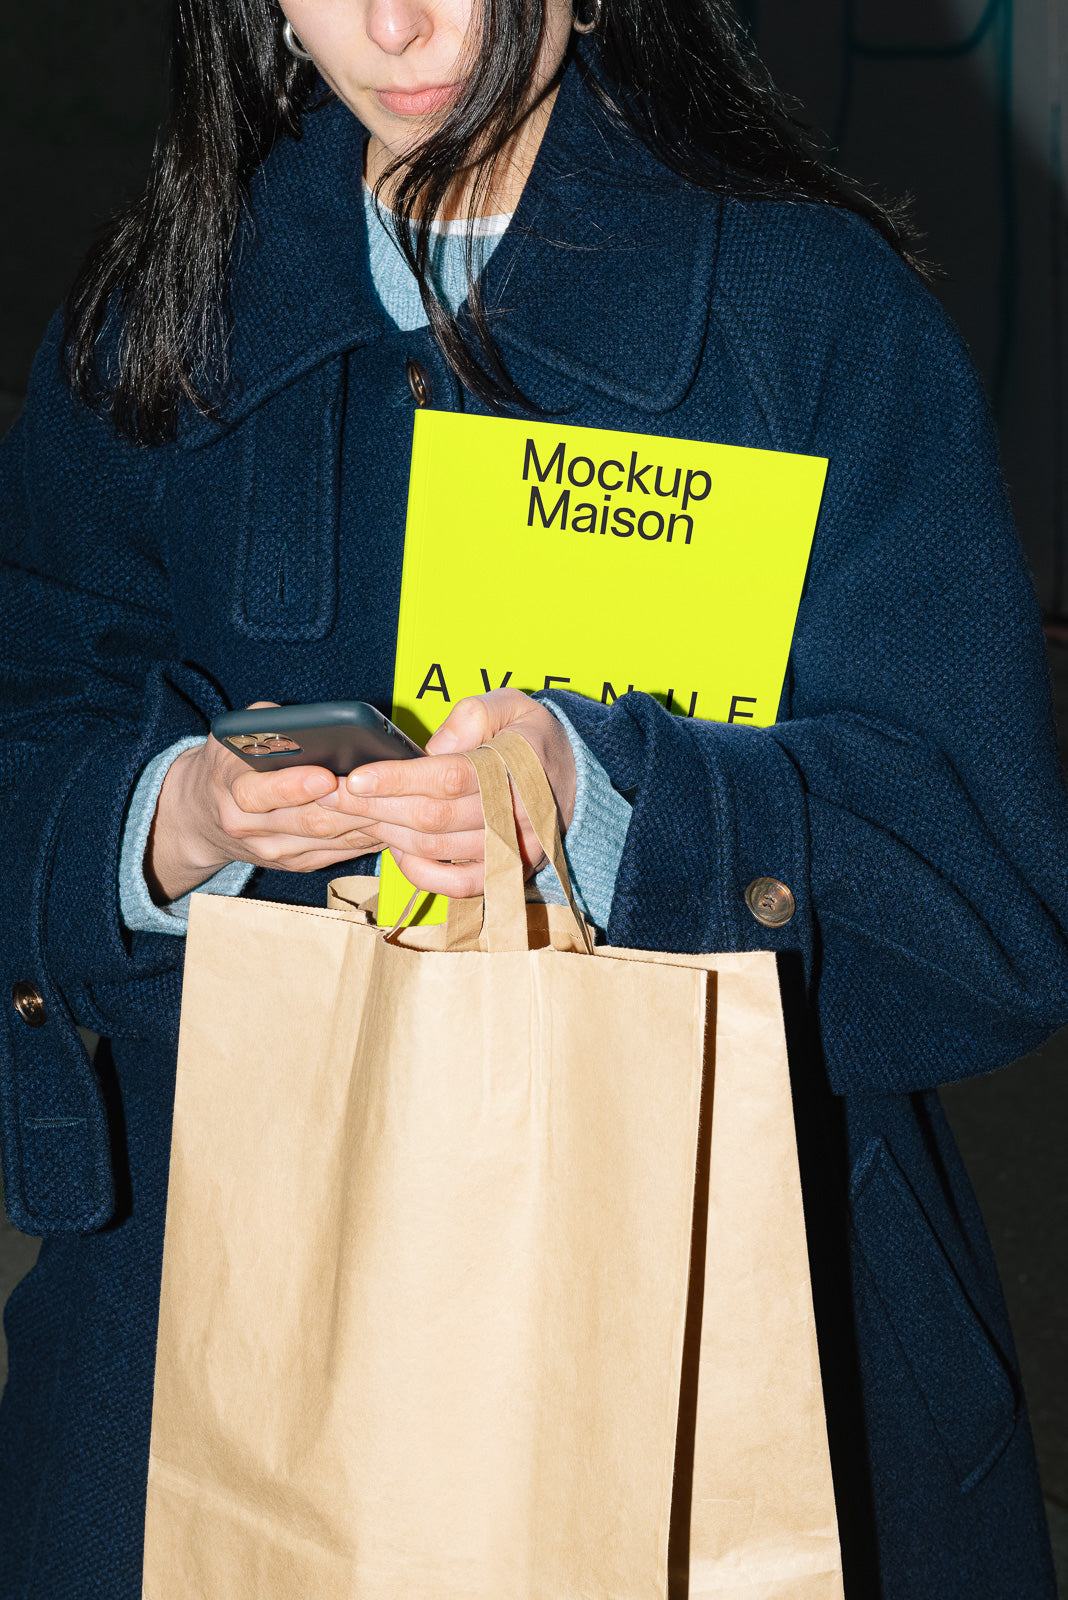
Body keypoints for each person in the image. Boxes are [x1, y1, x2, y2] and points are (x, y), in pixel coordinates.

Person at [1, 0, 1065, 1594]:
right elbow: (33, 725)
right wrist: (177, 820)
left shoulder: (812, 314)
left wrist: (622, 808)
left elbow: (990, 903)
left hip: (730, 1327)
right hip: (199, 1360)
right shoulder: (150, 314)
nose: (399, 21)